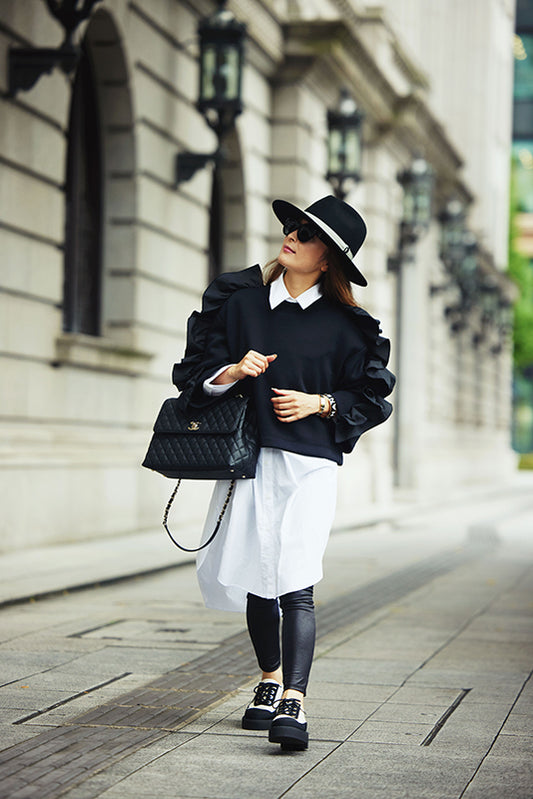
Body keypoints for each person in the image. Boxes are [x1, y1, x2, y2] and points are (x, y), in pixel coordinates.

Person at [172, 195, 395, 751]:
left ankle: (295, 700)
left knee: (295, 575)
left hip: (310, 463)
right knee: (255, 570)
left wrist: (320, 403)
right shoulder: (242, 305)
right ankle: (268, 681)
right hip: (246, 456)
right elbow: (194, 374)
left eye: (307, 233)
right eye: (292, 226)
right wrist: (233, 368)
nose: (291, 235)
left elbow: (369, 397)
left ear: (328, 260)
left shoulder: (350, 326)